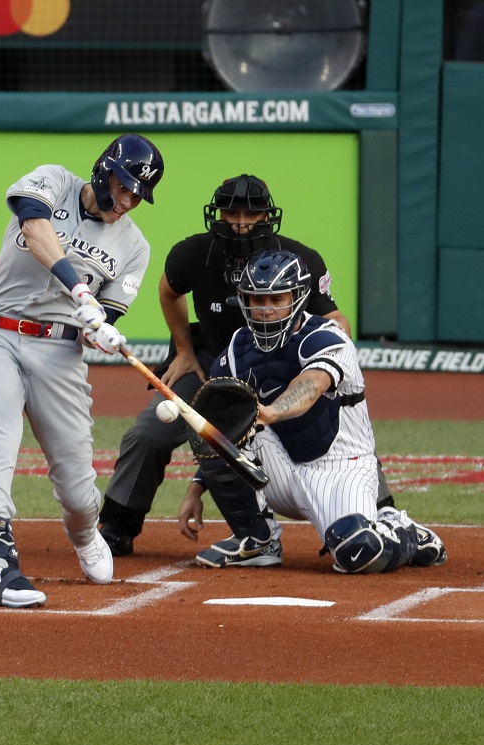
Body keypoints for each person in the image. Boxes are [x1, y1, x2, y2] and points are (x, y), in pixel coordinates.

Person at [98, 173, 396, 557]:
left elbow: (337, 321)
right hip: (212, 362)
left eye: (250, 214)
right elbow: (168, 291)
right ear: (217, 214)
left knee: (336, 421)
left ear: (267, 217)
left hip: (281, 362)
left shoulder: (299, 259)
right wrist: (184, 350)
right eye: (231, 211)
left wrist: (319, 361)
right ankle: (117, 528)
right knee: (152, 430)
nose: (240, 221)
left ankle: (383, 513)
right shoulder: (192, 254)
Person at [0, 133, 165, 608]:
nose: (128, 200)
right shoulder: (54, 181)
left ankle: (83, 534)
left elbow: (103, 317)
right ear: (105, 169)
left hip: (60, 354)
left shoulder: (135, 246)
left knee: (78, 492)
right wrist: (80, 292)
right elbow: (34, 229)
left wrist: (103, 330)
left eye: (138, 194)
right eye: (124, 186)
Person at [176, 250, 446, 573]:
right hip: (280, 469)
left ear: (298, 297)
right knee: (217, 421)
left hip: (341, 466)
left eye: (276, 299)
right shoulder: (236, 349)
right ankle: (257, 540)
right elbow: (220, 428)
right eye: (255, 300)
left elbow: (312, 385)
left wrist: (271, 412)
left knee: (358, 549)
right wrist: (196, 487)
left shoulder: (327, 338)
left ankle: (401, 529)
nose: (264, 310)